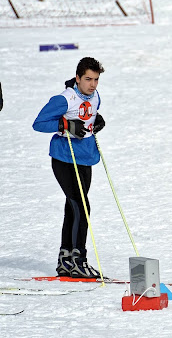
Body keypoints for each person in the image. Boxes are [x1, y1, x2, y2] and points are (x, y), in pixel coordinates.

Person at [32, 57, 107, 279]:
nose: (92, 84)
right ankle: (78, 260)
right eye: (87, 79)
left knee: (73, 207)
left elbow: (89, 115)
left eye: (95, 79)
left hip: (86, 157)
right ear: (77, 78)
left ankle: (66, 260)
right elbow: (39, 123)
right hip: (65, 158)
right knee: (81, 207)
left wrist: (98, 121)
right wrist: (64, 124)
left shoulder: (96, 97)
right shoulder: (65, 99)